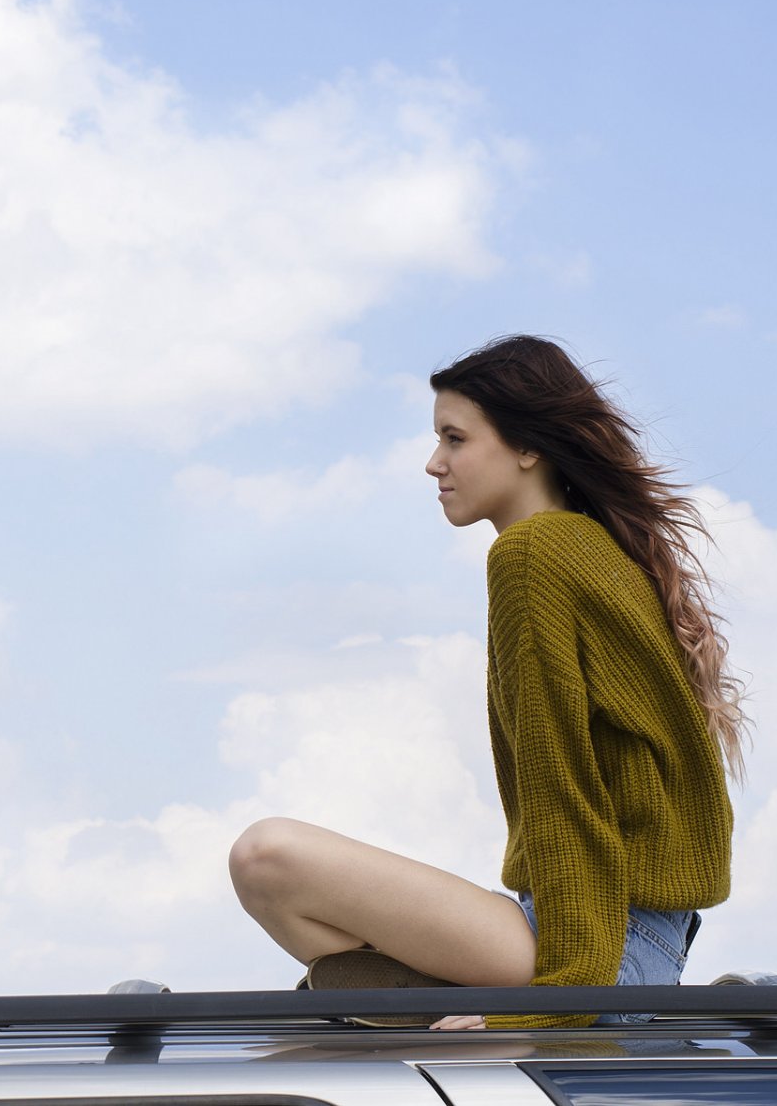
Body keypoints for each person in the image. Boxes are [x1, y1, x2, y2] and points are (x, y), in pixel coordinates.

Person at [227, 335, 743, 1029]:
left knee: (267, 859)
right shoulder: (596, 547)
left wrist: (560, 1003)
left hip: (598, 946)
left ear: (527, 446)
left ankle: (452, 1002)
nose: (434, 462)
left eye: (454, 437)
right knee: (327, 960)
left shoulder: (533, 553)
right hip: (628, 934)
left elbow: (562, 785)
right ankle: (418, 1001)